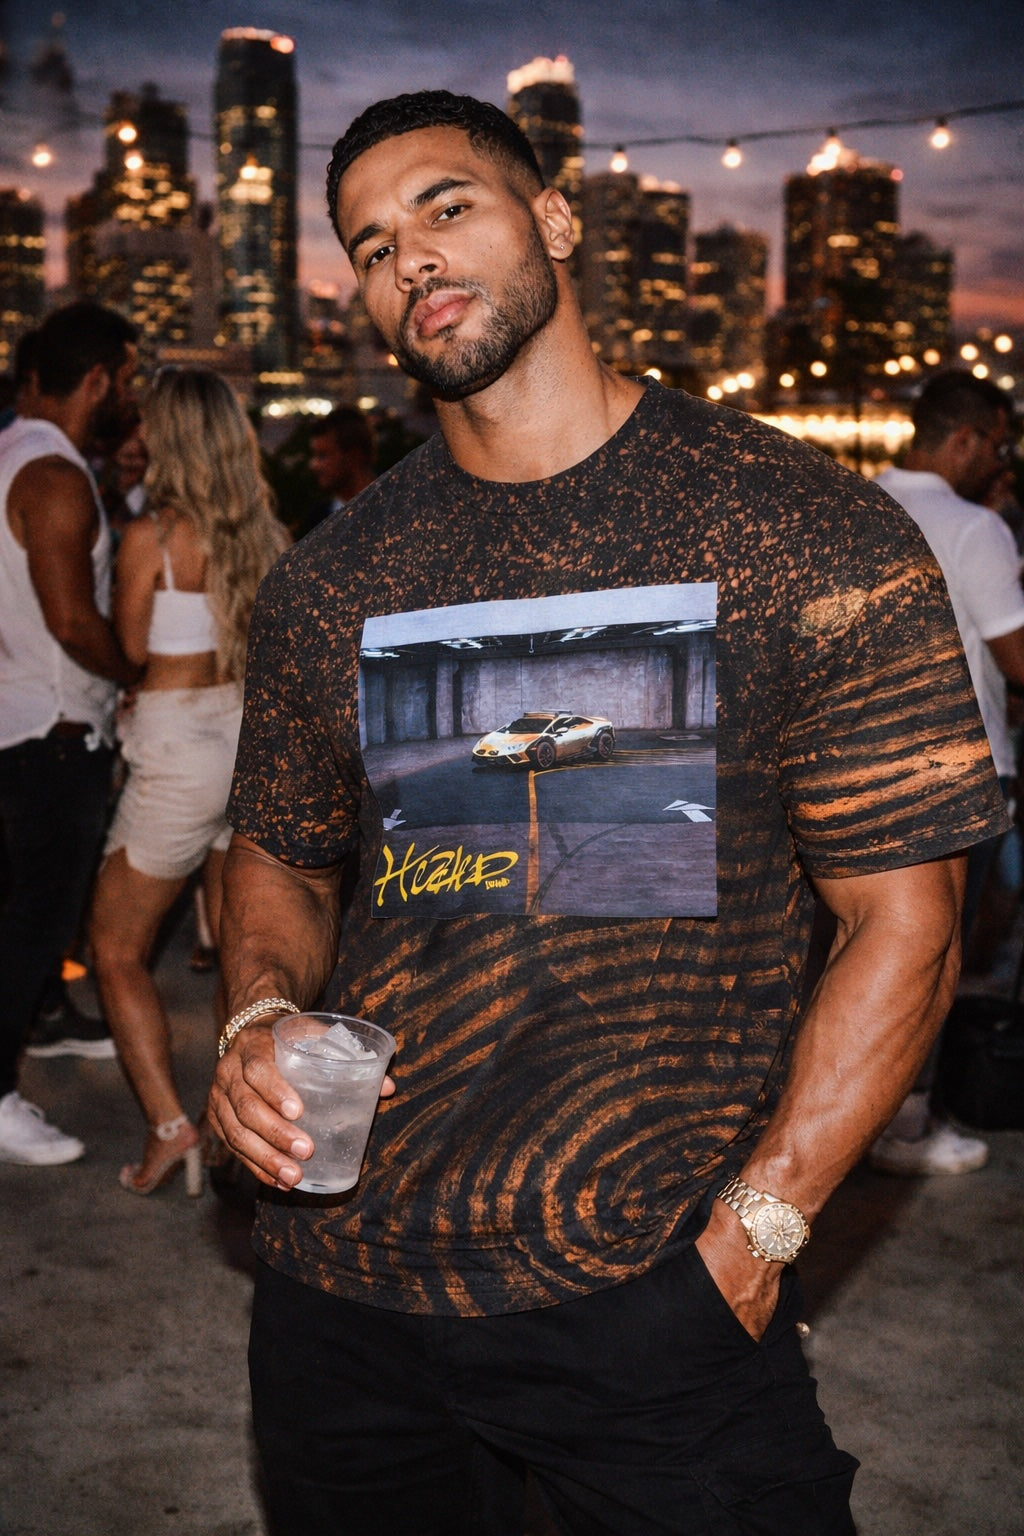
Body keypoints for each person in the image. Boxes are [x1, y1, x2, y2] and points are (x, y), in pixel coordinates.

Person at [208, 92, 1007, 1536]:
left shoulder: (800, 529)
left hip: (648, 1298)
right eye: (372, 244)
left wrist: (756, 1239)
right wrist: (258, 1015)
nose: (414, 262)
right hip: (341, 1294)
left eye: (449, 207)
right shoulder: (336, 577)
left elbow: (909, 925)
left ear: (557, 219)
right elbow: (277, 851)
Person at [89, 367, 288, 1196]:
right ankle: (224, 1122)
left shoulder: (153, 539)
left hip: (176, 753)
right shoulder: (263, 536)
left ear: (167, 438)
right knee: (234, 947)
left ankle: (171, 1127)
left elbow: (130, 649)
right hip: (239, 737)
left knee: (113, 947)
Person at [870, 371, 1023, 1175]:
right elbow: (1017, 656)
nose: (1002, 459)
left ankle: (855, 1119)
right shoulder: (973, 528)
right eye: (997, 444)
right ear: (963, 439)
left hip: (861, 765)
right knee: (933, 961)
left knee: (860, 954)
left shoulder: (852, 503)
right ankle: (907, 1126)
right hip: (962, 768)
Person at [0, 301, 140, 1167]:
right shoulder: (53, 475)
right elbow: (69, 618)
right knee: (37, 925)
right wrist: (134, 672)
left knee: (22, 920)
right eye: (125, 381)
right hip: (53, 738)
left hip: (16, 726)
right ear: (97, 381)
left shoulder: (9, 453)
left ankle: (26, 1044)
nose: (130, 397)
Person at [301, 403, 376, 535]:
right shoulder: (315, 522)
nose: (314, 465)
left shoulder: (395, 510)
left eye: (323, 456)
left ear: (353, 456)